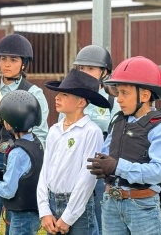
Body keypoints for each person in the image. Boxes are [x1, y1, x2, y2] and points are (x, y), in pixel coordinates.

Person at [0, 34, 49, 235]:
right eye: (4, 59)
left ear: (24, 64)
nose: (7, 64)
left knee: (13, 226)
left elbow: (40, 133)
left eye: (13, 60)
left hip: (20, 163)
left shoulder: (34, 93)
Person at [87, 56, 161, 235]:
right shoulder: (119, 121)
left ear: (144, 95)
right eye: (118, 93)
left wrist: (117, 166)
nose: (119, 99)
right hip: (110, 203)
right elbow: (106, 152)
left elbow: (159, 171)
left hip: (142, 207)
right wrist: (101, 166)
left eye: (125, 93)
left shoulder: (158, 127)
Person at [37, 69, 110, 235]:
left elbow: (87, 178)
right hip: (52, 203)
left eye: (64, 95)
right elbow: (45, 171)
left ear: (81, 102)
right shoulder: (54, 130)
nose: (57, 97)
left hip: (78, 208)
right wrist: (44, 210)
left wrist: (68, 217)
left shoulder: (91, 132)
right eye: (58, 94)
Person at [58, 45, 120, 234]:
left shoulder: (113, 102)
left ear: (105, 72)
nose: (84, 72)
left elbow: (116, 138)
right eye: (82, 68)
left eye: (91, 69)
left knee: (102, 222)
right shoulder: (70, 99)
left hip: (101, 173)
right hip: (73, 170)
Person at [0, 90, 44, 235]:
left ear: (9, 123)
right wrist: (2, 175)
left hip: (22, 217)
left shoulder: (16, 152)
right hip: (33, 213)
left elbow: (9, 191)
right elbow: (24, 175)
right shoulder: (36, 142)